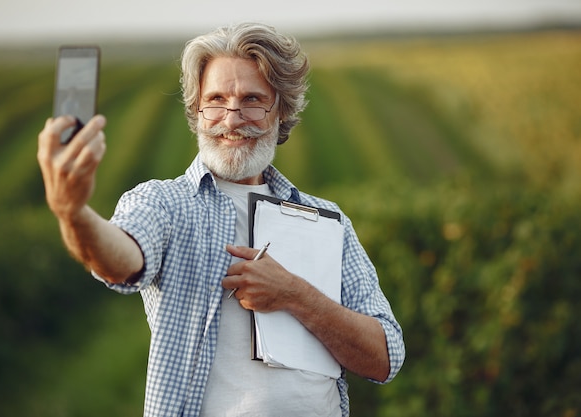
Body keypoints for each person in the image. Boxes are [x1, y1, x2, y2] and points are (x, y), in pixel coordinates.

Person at [37, 22, 405, 417]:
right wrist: (72, 213)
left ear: (281, 112)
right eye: (215, 100)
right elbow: (121, 260)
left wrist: (295, 295)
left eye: (251, 100)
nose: (231, 119)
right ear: (197, 111)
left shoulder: (327, 221)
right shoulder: (165, 202)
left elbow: (386, 356)